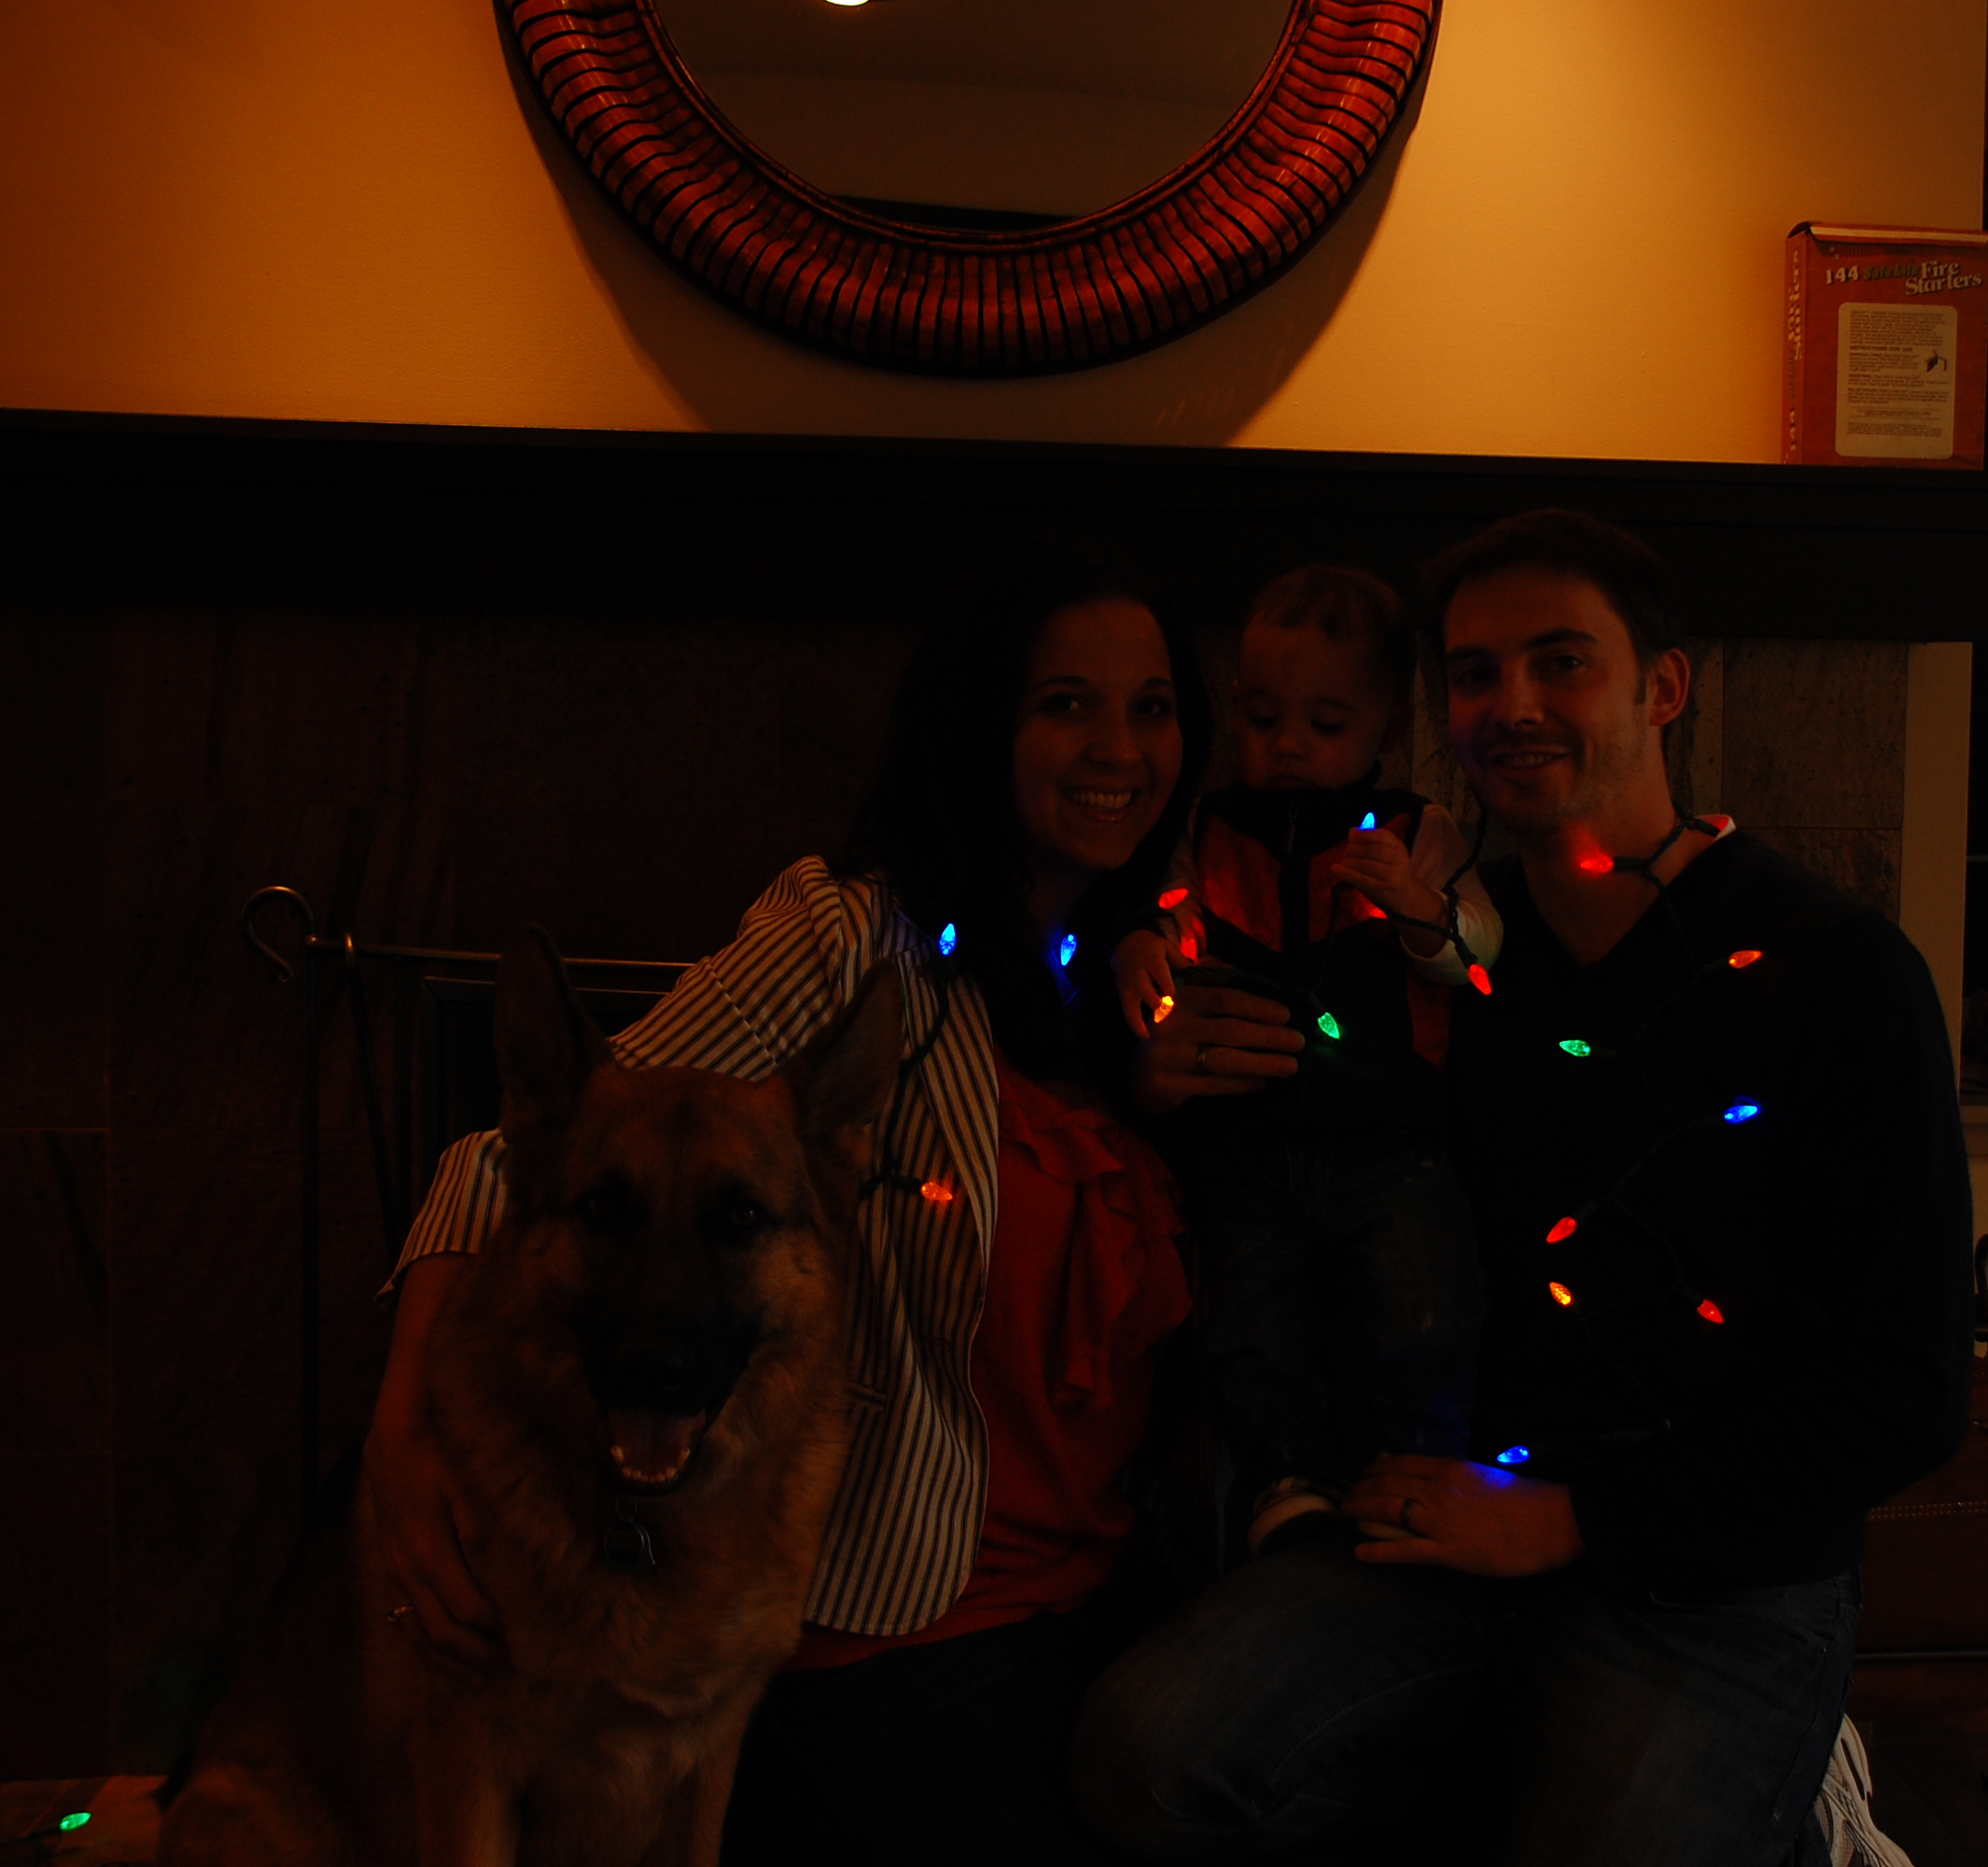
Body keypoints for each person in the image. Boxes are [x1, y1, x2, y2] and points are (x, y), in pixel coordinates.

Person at [365, 546, 1305, 1865]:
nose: (1118, 749)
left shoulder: (1145, 975)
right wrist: (401, 1435)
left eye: (1152, 708)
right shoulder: (855, 944)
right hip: (900, 1624)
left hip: (1105, 1588)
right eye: (1065, 704)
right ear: (980, 725)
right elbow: (518, 1158)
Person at [1071, 511, 1975, 1867]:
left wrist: (1574, 1518)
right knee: (1143, 1756)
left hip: (1711, 1576)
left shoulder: (1835, 970)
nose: (1512, 704)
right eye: (1475, 674)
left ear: (1662, 687)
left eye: (1562, 662)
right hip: (1445, 1522)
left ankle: (1798, 1801)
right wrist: (1153, 1071)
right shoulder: (1428, 956)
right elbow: (1289, 1177)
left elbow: (1909, 1386)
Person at [1112, 565, 1504, 1557]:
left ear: (1388, 724)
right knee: (1250, 1320)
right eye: (1260, 717)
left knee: (1426, 1302)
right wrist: (1150, 944)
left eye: (1325, 724)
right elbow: (1167, 916)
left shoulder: (1416, 829)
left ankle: (1422, 1465)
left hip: (1388, 1138)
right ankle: (1284, 1478)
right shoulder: (1209, 828)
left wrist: (1417, 905)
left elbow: (1477, 954)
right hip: (1243, 1139)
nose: (1286, 745)